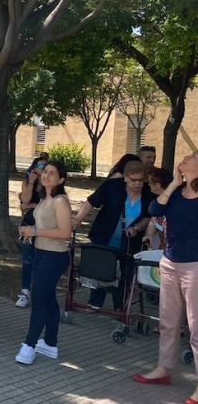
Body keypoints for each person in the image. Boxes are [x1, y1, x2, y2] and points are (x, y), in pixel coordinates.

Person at [133, 152, 198, 404]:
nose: (185, 156)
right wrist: (173, 183)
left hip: (195, 266)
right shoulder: (176, 193)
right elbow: (154, 208)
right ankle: (163, 369)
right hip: (170, 263)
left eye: (192, 156)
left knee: (195, 327)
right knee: (168, 322)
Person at [74, 160, 154, 310]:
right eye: (133, 180)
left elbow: (148, 216)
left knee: (125, 273)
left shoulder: (148, 193)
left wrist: (136, 228)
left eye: (140, 180)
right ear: (125, 177)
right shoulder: (112, 187)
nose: (137, 184)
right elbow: (90, 202)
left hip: (130, 242)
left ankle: (119, 307)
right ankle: (94, 303)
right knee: (101, 269)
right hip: (105, 236)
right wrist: (78, 220)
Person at [15, 161, 73, 364]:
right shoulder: (44, 199)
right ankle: (50, 343)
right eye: (45, 172)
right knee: (47, 299)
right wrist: (28, 231)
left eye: (52, 173)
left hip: (54, 256)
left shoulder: (60, 201)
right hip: (40, 252)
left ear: (61, 179)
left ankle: (29, 345)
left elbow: (66, 232)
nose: (46, 176)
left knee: (39, 298)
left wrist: (35, 231)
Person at [16, 156, 49, 309]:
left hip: (44, 228)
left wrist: (32, 205)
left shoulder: (49, 185)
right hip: (28, 226)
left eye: (44, 167)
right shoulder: (28, 181)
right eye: (38, 165)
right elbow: (24, 202)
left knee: (41, 262)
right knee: (27, 260)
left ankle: (39, 293)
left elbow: (49, 205)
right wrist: (31, 181)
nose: (41, 169)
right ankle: (24, 292)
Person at [143, 167, 174, 250]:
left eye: (150, 182)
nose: (148, 184)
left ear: (158, 185)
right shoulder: (158, 202)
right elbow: (154, 220)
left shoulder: (174, 202)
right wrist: (149, 234)